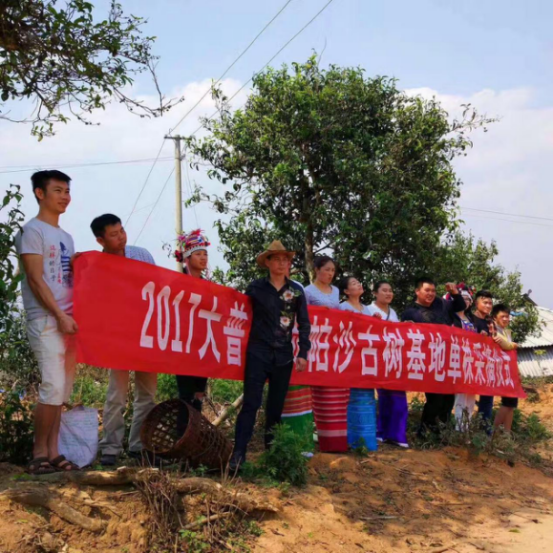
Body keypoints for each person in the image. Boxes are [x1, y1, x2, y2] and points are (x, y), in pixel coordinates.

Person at [15, 170, 79, 474]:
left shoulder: (66, 237)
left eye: (67, 190)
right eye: (57, 190)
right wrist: (59, 315)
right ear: (40, 193)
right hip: (46, 319)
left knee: (62, 390)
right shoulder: (33, 231)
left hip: (69, 321)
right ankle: (38, 453)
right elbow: (35, 279)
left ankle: (54, 451)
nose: (65, 196)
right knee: (52, 385)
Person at [230, 241, 310, 470]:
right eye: (277, 259)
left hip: (284, 355)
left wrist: (303, 352)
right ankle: (238, 454)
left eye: (286, 259)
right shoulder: (255, 288)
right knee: (251, 403)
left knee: (275, 407)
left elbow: (304, 323)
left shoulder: (296, 290)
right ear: (267, 262)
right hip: (258, 352)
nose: (282, 263)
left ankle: (272, 455)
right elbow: (236, 311)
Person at [90, 214, 157, 466]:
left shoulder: (142, 255)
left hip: (147, 334)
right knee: (116, 394)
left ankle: (139, 446)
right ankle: (110, 447)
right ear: (101, 239)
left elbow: (160, 290)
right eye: (114, 234)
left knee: (147, 394)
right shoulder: (95, 264)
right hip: (117, 337)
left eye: (122, 231)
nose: (121, 237)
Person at [401, 277, 466, 437]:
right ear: (417, 291)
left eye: (433, 291)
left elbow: (461, 306)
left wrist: (455, 293)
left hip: (447, 359)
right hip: (428, 361)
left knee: (449, 397)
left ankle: (441, 430)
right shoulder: (411, 312)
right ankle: (424, 430)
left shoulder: (440, 304)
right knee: (435, 397)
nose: (431, 294)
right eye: (427, 290)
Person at [305, 256, 350, 452]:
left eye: (333, 270)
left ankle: (332, 433)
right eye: (327, 269)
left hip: (333, 345)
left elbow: (339, 314)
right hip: (315, 342)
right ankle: (316, 428)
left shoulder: (337, 291)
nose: (331, 274)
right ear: (317, 270)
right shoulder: (307, 291)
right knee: (316, 384)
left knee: (334, 387)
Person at [366, 281, 409, 448]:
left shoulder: (393, 312)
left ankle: (395, 435)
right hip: (375, 358)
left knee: (396, 395)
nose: (388, 293)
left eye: (390, 290)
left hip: (393, 358)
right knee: (383, 397)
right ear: (375, 293)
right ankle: (382, 432)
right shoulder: (368, 310)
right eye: (384, 290)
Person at [174, 230, 211, 413]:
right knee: (186, 395)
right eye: (198, 254)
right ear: (187, 258)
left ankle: (194, 437)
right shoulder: (177, 283)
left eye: (205, 254)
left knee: (198, 395)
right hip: (184, 346)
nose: (203, 258)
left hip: (202, 345)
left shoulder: (209, 286)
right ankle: (183, 436)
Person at [452, 289, 478, 430]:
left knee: (471, 394)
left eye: (468, 299)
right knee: (461, 395)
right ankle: (458, 427)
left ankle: (467, 427)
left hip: (472, 361)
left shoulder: (471, 319)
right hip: (458, 360)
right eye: (462, 298)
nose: (465, 301)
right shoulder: (452, 317)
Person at [491, 304, 519, 432]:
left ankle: (507, 434)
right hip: (500, 372)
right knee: (507, 402)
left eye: (507, 317)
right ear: (495, 317)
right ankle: (493, 432)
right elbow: (505, 345)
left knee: (512, 404)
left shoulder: (506, 332)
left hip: (510, 372)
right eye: (502, 316)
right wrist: (512, 345)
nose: (506, 319)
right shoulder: (493, 330)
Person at [470, 290, 495, 425]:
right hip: (472, 365)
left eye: (490, 303)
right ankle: (461, 429)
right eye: (485, 302)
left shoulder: (491, 322)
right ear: (476, 303)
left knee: (487, 399)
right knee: (467, 399)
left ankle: (484, 428)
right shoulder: (470, 320)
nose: (488, 305)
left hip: (488, 366)